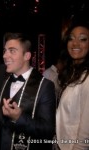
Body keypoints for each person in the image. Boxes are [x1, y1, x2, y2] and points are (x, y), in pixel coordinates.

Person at [0, 32, 56, 150]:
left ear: (27, 56)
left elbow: (48, 131)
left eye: (12, 51)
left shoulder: (45, 86)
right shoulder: (2, 80)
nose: (5, 56)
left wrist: (19, 118)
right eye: (5, 51)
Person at [56, 22, 89, 150]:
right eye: (71, 38)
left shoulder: (87, 78)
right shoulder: (72, 73)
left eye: (83, 39)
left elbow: (86, 130)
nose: (75, 43)